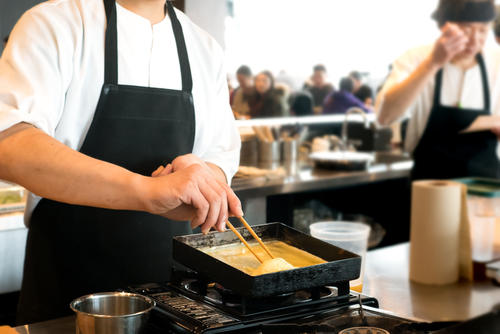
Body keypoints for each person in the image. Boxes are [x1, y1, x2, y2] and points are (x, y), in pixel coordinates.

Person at [0, 0, 242, 324]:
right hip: (66, 295)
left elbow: (220, 154)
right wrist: (146, 190)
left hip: (172, 298)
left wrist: (199, 173)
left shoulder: (204, 46)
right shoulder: (57, 22)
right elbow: (10, 143)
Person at [377, 0, 500, 180]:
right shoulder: (416, 59)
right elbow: (385, 116)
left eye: (483, 30)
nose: (475, 40)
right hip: (429, 186)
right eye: (466, 30)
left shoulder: (496, 63)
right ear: (445, 26)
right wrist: (432, 64)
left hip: (485, 189)